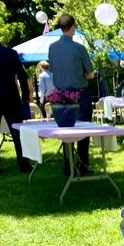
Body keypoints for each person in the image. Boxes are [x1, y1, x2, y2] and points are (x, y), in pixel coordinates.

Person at [48, 13, 94, 175]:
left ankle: (67, 165)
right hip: (79, 94)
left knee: (65, 132)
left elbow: (53, 69)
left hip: (60, 96)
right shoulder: (79, 48)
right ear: (73, 27)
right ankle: (83, 166)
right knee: (83, 131)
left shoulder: (52, 48)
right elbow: (90, 73)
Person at [0, 23, 33, 175]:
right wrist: (25, 97)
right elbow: (22, 77)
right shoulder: (11, 53)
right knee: (17, 131)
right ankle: (23, 163)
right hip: (11, 97)